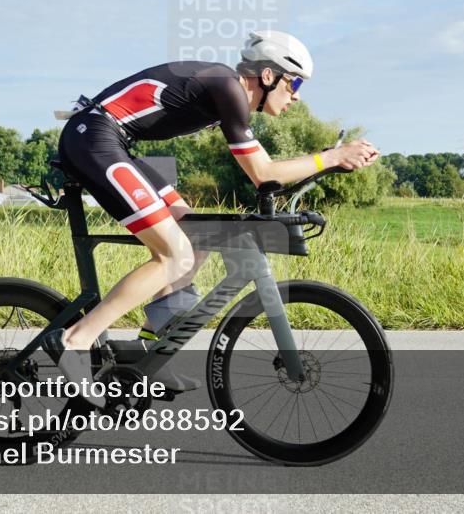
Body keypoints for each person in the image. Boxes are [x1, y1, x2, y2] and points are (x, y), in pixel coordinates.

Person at [42, 30, 380, 405]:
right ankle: (76, 339)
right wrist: (331, 157)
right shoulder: (228, 87)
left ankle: (149, 351)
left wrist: (328, 161)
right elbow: (263, 173)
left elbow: (265, 175)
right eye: (294, 82)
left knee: (196, 235)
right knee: (174, 255)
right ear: (268, 75)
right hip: (93, 139)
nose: (297, 95)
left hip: (111, 141)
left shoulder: (227, 92)